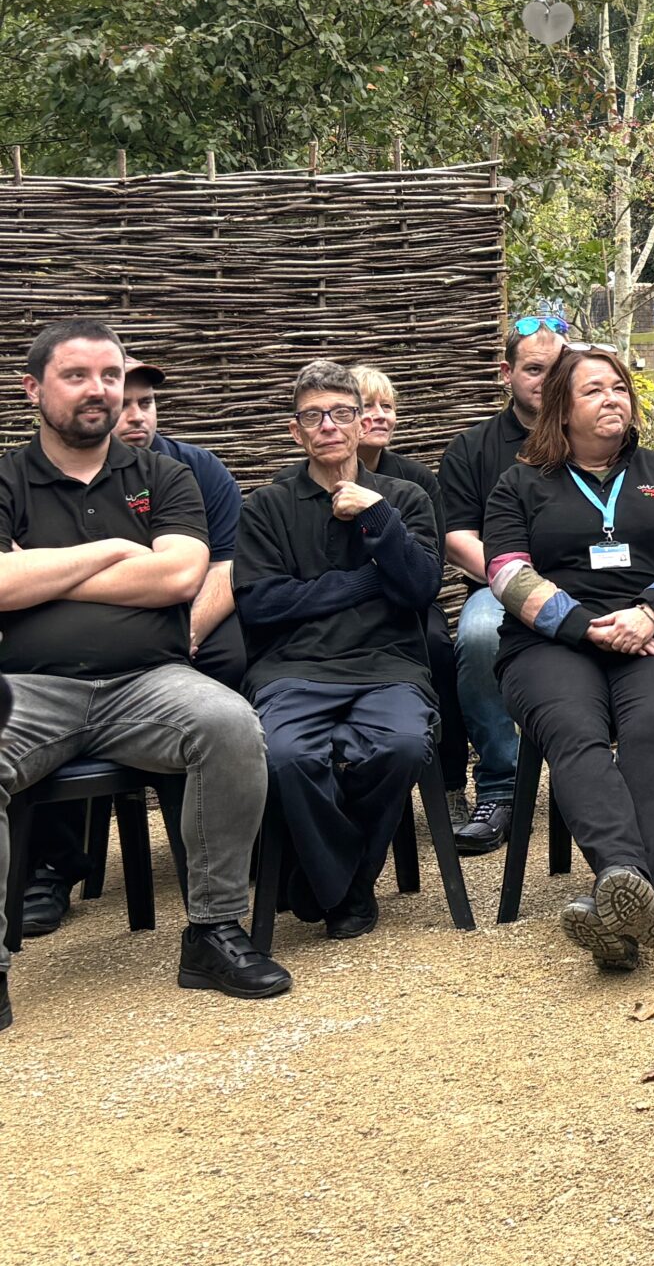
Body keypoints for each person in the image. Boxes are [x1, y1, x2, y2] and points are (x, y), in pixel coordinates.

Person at [0, 316, 288, 1028]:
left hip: (146, 682)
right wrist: (115, 552)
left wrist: (41, 569)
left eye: (110, 376)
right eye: (77, 375)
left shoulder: (163, 473)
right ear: (32, 388)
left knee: (228, 723)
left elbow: (181, 574)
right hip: (30, 685)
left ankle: (214, 932)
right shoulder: (6, 475)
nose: (99, 390)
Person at [483, 342, 654, 972]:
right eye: (593, 390)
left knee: (652, 725)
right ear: (562, 408)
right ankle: (632, 887)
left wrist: (648, 612)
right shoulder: (520, 484)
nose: (612, 398)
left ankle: (619, 898)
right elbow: (505, 571)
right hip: (550, 642)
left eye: (618, 387)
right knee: (573, 727)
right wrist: (589, 627)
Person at [233, 361, 442, 939]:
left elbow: (422, 588)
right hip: (292, 671)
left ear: (359, 422)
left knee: (400, 746)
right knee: (283, 756)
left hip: (390, 668)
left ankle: (321, 881)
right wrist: (368, 582)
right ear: (295, 431)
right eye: (313, 416)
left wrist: (376, 519)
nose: (329, 425)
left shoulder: (402, 498)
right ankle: (348, 886)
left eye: (341, 413)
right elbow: (260, 605)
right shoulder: (266, 507)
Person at [438, 318, 568, 850]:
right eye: (533, 369)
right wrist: (520, 584)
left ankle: (640, 775)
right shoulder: (472, 449)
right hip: (498, 592)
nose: (546, 379)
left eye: (557, 369)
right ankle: (501, 787)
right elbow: (454, 537)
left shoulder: (596, 438)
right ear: (506, 373)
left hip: (590, 584)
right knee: (474, 637)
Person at [350, 362, 467, 813]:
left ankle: (452, 785)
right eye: (366, 406)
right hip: (343, 610)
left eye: (388, 406)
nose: (379, 415)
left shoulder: (418, 481)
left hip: (410, 606)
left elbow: (429, 566)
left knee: (438, 647)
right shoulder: (315, 479)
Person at [115, 360, 248, 689]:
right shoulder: (83, 476)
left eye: (146, 402)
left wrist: (189, 632)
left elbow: (228, 564)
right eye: (122, 405)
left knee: (235, 657)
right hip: (112, 612)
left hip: (194, 603)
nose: (137, 416)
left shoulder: (200, 467)